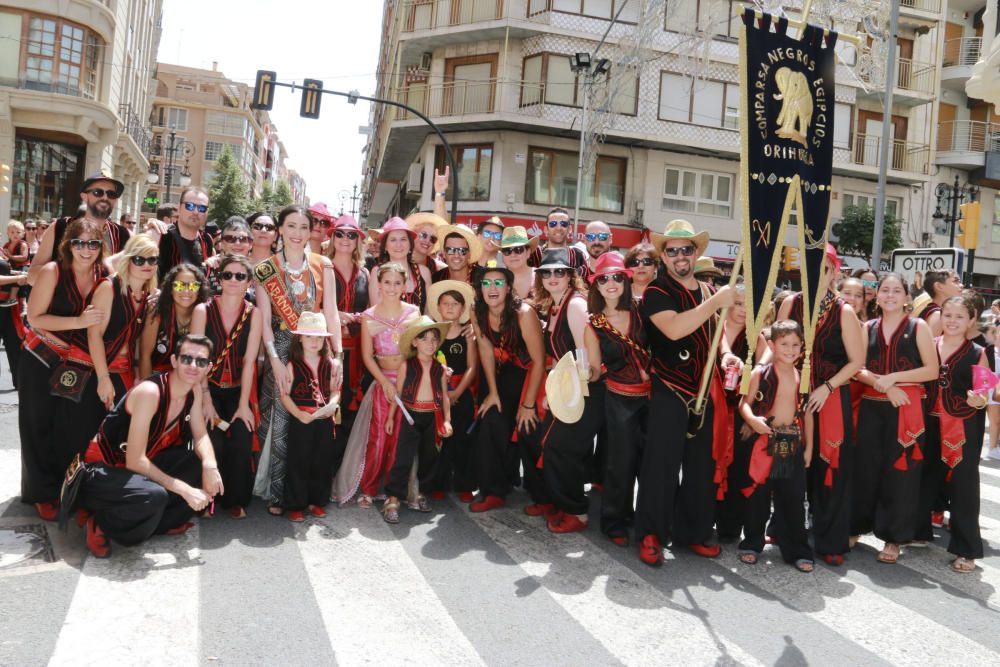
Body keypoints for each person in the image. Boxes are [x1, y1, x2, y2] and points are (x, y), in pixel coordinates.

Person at [634, 219, 737, 567]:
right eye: (672, 250)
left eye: (686, 249)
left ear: (696, 254)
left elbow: (717, 331)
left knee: (700, 467)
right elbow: (675, 329)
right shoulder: (656, 292)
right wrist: (717, 302)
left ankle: (693, 531)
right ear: (663, 257)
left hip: (705, 393)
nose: (680, 256)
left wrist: (727, 354)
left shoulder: (709, 293)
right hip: (669, 389)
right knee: (661, 466)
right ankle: (650, 533)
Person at [77, 334, 224, 558]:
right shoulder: (150, 393)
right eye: (187, 359)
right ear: (174, 360)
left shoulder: (193, 391)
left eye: (201, 362)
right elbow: (135, 461)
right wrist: (185, 490)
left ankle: (154, 522)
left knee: (197, 461)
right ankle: (101, 523)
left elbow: (201, 435)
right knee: (154, 496)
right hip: (102, 470)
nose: (193, 366)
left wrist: (210, 465)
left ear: (208, 367)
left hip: (138, 465)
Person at [775, 244, 864, 566]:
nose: (817, 275)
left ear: (834, 273)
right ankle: (784, 529)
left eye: (824, 269)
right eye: (811, 268)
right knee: (785, 463)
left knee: (830, 466)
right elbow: (775, 347)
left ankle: (829, 539)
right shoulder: (789, 303)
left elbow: (856, 362)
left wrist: (827, 387)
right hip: (790, 391)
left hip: (829, 394)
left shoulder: (845, 311)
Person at [254, 204, 343, 515]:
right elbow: (264, 319)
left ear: (311, 232)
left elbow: (330, 311)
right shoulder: (266, 268)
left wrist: (338, 354)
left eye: (304, 227)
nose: (297, 233)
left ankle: (312, 493)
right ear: (280, 229)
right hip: (280, 344)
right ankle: (280, 493)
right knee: (282, 419)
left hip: (316, 348)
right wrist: (275, 360)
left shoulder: (324, 265)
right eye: (291, 226)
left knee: (316, 422)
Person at [20, 218, 107, 521]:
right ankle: (40, 493)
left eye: (93, 243)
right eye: (79, 243)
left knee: (68, 427)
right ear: (68, 244)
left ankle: (64, 487)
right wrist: (79, 322)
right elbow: (35, 318)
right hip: (41, 357)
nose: (86, 249)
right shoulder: (51, 271)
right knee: (37, 424)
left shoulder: (102, 275)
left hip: (74, 362)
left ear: (100, 247)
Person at [852, 273, 938, 564]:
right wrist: (884, 387)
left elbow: (931, 370)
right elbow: (857, 368)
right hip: (872, 406)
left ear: (906, 297)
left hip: (907, 409)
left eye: (896, 290)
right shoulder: (868, 327)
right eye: (884, 290)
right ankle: (857, 527)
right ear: (876, 295)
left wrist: (893, 379)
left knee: (901, 474)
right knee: (865, 470)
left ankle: (893, 537)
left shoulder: (918, 326)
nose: (890, 295)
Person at [331, 263, 420, 506]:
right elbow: (368, 357)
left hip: (409, 384)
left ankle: (396, 490)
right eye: (387, 282)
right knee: (379, 438)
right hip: (384, 384)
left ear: (405, 286)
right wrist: (384, 383)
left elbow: (420, 347)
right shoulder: (369, 316)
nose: (392, 287)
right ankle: (369, 488)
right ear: (378, 285)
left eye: (397, 283)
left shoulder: (414, 313)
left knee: (402, 438)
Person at [914, 294, 987, 573]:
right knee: (922, 477)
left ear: (971, 320)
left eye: (959, 316)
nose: (952, 321)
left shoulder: (978, 352)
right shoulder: (928, 345)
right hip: (927, 423)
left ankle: (966, 549)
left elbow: (985, 392)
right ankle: (917, 532)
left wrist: (977, 399)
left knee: (963, 487)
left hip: (962, 426)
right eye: (948, 315)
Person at [738, 320, 815, 573]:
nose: (790, 349)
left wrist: (809, 447)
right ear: (771, 345)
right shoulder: (761, 373)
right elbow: (744, 404)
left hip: (788, 441)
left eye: (795, 344)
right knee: (758, 495)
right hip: (763, 440)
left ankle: (797, 550)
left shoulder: (803, 374)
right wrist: (752, 420)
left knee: (791, 497)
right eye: (784, 344)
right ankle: (752, 542)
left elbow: (808, 413)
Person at [583, 253, 648, 546]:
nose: (611, 283)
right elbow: (596, 370)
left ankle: (645, 518)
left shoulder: (643, 310)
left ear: (626, 280)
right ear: (596, 285)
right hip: (618, 399)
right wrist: (580, 375)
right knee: (619, 463)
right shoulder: (593, 325)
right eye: (604, 278)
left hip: (653, 399)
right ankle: (614, 521)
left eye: (616, 277)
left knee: (650, 463)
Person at [190, 254, 262, 519]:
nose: (233, 280)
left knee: (242, 438)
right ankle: (208, 498)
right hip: (205, 387)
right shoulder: (203, 310)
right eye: (227, 275)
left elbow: (249, 362)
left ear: (249, 282)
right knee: (213, 440)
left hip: (237, 390)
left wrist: (244, 406)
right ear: (219, 279)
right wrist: (206, 399)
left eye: (240, 276)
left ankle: (235, 499)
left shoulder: (254, 314)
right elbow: (196, 359)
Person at [470, 261, 545, 512]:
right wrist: (492, 392)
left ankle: (543, 496)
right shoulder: (476, 311)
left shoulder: (524, 313)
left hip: (532, 373)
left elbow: (538, 361)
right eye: (486, 283)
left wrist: (528, 404)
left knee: (527, 426)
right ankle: (493, 491)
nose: (492, 288)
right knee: (491, 419)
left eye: (498, 282)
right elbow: (486, 351)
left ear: (508, 287)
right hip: (505, 373)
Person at [532, 247, 595, 533]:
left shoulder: (575, 305)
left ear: (571, 276)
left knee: (564, 448)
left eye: (560, 271)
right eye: (547, 272)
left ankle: (576, 512)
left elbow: (587, 355)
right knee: (554, 445)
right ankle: (561, 502)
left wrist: (570, 392)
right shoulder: (557, 305)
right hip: (568, 388)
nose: (553, 276)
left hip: (584, 390)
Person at [382, 316, 453, 522]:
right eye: (424, 339)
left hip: (432, 416)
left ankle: (420, 492)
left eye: (434, 339)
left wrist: (447, 420)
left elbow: (445, 396)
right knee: (402, 457)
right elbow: (398, 391)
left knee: (429, 457)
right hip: (410, 415)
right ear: (414, 342)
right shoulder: (407, 365)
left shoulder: (440, 369)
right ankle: (393, 497)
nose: (430, 344)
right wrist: (390, 417)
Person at [87, 235, 159, 421]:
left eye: (152, 259)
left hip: (125, 375)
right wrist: (103, 379)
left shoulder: (148, 296)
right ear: (128, 260)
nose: (147, 264)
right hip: (97, 372)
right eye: (139, 259)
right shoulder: (109, 287)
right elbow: (94, 334)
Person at [279, 311, 338, 522]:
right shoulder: (292, 365)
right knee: (299, 460)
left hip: (323, 420)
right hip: (301, 419)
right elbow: (284, 395)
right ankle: (296, 504)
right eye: (310, 336)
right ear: (300, 338)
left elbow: (334, 390)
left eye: (320, 337)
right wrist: (298, 414)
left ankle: (317, 501)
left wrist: (333, 403)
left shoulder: (330, 364)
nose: (315, 341)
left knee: (321, 461)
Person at [325, 214, 370, 478]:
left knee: (352, 410)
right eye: (339, 233)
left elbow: (373, 309)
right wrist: (333, 315)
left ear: (358, 241)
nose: (345, 239)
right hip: (329, 348)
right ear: (332, 238)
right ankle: (326, 471)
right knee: (331, 406)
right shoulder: (322, 267)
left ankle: (345, 472)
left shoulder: (365, 272)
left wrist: (358, 317)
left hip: (358, 350)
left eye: (351, 234)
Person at [426, 281, 478, 501]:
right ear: (438, 307)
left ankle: (464, 483)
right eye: (445, 303)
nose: (449, 308)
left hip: (461, 391)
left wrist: (456, 393)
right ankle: (438, 482)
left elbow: (472, 367)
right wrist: (443, 392)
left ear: (462, 307)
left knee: (462, 439)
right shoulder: (433, 334)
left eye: (454, 304)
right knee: (439, 439)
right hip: (436, 392)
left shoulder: (468, 334)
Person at [28, 170, 130, 284]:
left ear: (115, 200)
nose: (105, 198)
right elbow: (32, 275)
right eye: (98, 192)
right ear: (84, 196)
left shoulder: (123, 235)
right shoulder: (60, 227)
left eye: (111, 194)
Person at [139, 264, 209, 377]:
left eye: (193, 286)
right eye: (179, 285)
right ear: (170, 289)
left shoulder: (204, 313)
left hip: (188, 379)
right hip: (157, 378)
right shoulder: (157, 312)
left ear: (199, 290)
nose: (186, 291)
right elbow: (145, 355)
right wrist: (147, 388)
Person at [367, 217, 432, 310]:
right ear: (385, 246)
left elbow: (428, 312)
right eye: (393, 240)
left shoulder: (424, 272)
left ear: (410, 244)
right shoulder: (377, 272)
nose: (398, 245)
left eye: (403, 239)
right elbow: (376, 311)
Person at [157, 186, 215, 281]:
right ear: (179, 208)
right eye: (190, 206)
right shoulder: (162, 235)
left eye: (202, 208)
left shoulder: (206, 240)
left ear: (207, 213)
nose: (196, 212)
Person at [530, 207, 590, 281]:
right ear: (546, 230)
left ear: (570, 229)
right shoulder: (535, 255)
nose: (558, 228)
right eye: (553, 224)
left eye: (563, 224)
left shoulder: (577, 256)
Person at [203, 217, 253, 296]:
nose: (237, 243)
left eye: (243, 239)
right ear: (222, 243)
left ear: (250, 244)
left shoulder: (258, 274)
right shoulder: (207, 271)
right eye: (230, 238)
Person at [498, 226, 538, 300]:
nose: (513, 255)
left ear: (528, 252)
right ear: (502, 254)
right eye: (507, 250)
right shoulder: (497, 280)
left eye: (518, 249)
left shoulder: (541, 277)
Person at [918, 270, 962, 337]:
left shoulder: (935, 312)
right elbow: (930, 346)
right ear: (939, 286)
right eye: (955, 281)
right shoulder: (937, 315)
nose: (961, 285)